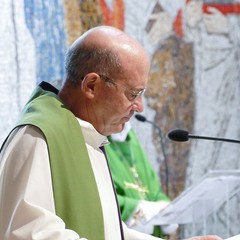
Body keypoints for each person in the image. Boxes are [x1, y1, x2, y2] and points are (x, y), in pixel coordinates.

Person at [0, 26, 222, 240]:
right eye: (133, 94)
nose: (140, 106)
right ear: (91, 86)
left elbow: (108, 231)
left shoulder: (85, 136)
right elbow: (27, 233)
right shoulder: (38, 136)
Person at [105, 122, 178, 237]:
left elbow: (152, 186)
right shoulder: (93, 138)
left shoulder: (128, 134)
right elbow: (94, 196)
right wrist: (133, 208)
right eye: (131, 102)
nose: (139, 108)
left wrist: (163, 205)